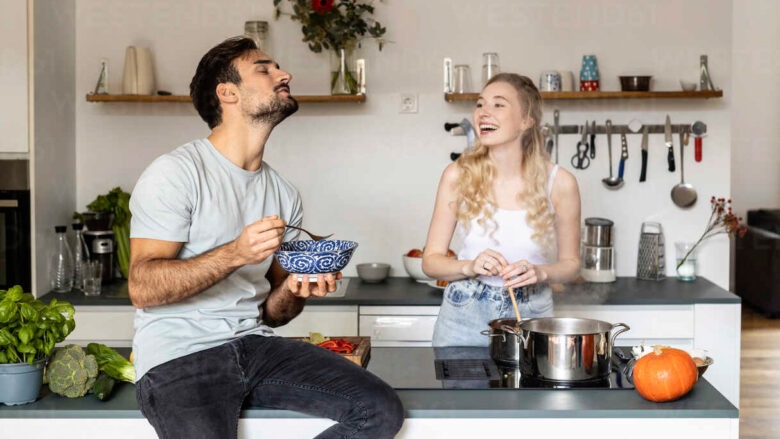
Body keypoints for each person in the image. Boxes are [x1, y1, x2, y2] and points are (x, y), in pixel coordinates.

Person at [128, 37, 403, 439]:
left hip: (255, 346)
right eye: (265, 69)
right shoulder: (176, 173)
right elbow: (142, 288)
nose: (284, 74)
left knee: (378, 410)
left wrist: (295, 287)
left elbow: (274, 313)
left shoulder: (283, 194)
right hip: (180, 356)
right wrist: (235, 253)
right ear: (228, 93)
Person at [422, 73, 581, 347]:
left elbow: (572, 265)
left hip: (532, 314)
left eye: (498, 104)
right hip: (462, 316)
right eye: (480, 104)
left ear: (526, 120)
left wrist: (541, 273)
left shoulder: (560, 183)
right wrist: (469, 266)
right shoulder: (456, 175)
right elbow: (430, 262)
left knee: (529, 378)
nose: (484, 113)